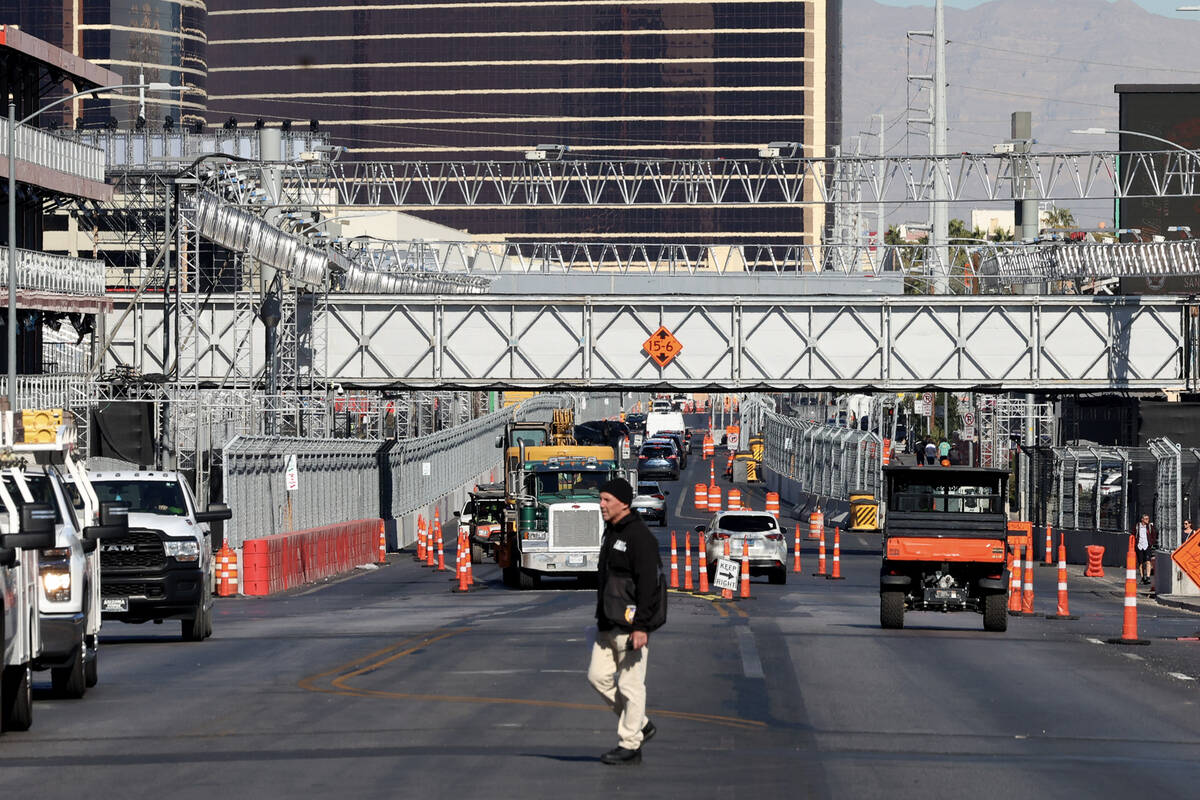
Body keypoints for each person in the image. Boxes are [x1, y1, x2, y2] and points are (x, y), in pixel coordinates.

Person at [588, 477, 663, 766]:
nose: (601, 504)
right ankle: (641, 723)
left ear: (623, 503)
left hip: (632, 626)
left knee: (631, 686)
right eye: (601, 499)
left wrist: (642, 625)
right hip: (607, 623)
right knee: (597, 677)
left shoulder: (639, 537)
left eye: (606, 499)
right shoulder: (612, 532)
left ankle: (630, 744)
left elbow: (649, 584)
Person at [1132, 513, 1157, 585]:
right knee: (1141, 563)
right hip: (1139, 546)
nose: (1147, 520)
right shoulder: (1137, 526)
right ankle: (1143, 578)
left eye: (1148, 519)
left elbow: (1153, 535)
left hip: (1147, 546)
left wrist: (1151, 543)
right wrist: (1136, 544)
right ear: (1142, 519)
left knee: (1148, 561)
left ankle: (1148, 577)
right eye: (1146, 519)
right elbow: (1133, 535)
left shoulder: (1149, 527)